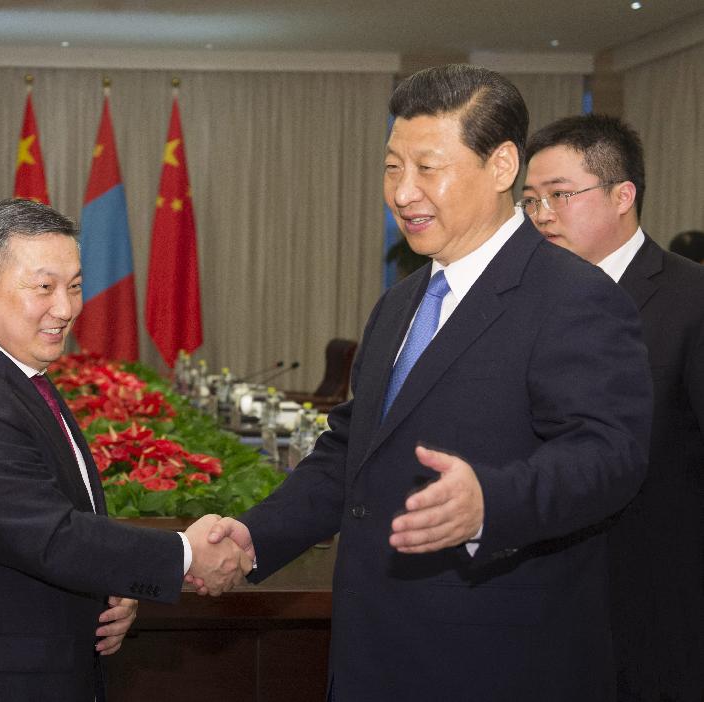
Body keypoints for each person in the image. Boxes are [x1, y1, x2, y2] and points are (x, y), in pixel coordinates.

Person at [195, 65, 653, 701]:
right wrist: (256, 536)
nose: (402, 193)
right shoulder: (402, 303)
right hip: (373, 653)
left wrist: (492, 501)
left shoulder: (573, 297)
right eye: (391, 168)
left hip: (495, 664)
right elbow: (352, 451)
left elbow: (609, 457)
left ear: (500, 167)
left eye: (428, 168)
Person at [0, 198, 251, 701]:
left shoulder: (15, 373)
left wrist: (109, 588)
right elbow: (51, 538)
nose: (66, 308)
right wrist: (185, 553)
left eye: (75, 286)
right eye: (44, 287)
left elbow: (56, 521)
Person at [523, 114, 704, 702]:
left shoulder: (691, 300)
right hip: (539, 598)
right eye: (530, 200)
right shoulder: (522, 302)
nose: (542, 214)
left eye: (559, 195)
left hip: (657, 602)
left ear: (623, 195)